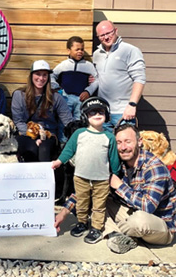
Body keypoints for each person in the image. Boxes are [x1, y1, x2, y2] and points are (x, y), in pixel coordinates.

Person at [54, 123, 176, 254]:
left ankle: (114, 231)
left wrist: (119, 186)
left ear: (139, 142)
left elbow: (148, 206)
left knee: (139, 221)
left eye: (128, 142)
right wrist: (63, 213)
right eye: (119, 142)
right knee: (94, 198)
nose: (123, 147)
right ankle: (119, 235)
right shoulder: (115, 162)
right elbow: (87, 189)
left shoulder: (154, 167)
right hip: (128, 212)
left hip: (158, 223)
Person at [51, 97, 120, 244]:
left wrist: (116, 172)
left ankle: (96, 228)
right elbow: (68, 150)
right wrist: (58, 161)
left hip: (101, 179)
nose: (96, 115)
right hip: (81, 177)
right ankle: (82, 222)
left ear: (107, 114)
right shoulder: (79, 134)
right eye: (92, 112)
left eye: (100, 111)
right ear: (85, 116)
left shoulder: (109, 137)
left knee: (98, 205)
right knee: (81, 202)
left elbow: (113, 158)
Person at [11, 60, 73, 201]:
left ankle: (45, 189)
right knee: (30, 149)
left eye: (44, 75)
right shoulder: (19, 95)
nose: (41, 78)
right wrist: (33, 136)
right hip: (26, 133)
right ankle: (28, 188)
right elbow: (18, 121)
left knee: (44, 149)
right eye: (38, 74)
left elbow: (67, 119)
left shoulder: (55, 97)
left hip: (49, 134)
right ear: (31, 76)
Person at [92, 21, 146, 132]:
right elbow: (99, 77)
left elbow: (139, 79)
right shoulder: (97, 54)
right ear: (98, 37)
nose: (106, 37)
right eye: (102, 35)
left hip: (123, 113)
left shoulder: (130, 51)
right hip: (103, 113)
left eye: (109, 33)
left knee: (124, 147)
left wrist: (132, 105)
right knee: (106, 148)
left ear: (116, 30)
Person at [51, 36, 98, 120]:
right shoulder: (63, 65)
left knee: (79, 123)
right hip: (65, 99)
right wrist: (56, 88)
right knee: (64, 122)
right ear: (69, 50)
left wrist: (88, 91)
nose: (80, 52)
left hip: (80, 100)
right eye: (77, 49)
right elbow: (51, 76)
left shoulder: (88, 65)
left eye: (82, 49)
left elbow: (97, 80)